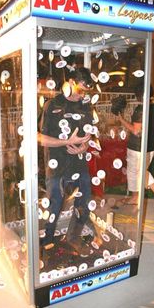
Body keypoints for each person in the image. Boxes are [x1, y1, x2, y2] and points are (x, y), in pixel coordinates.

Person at [39, 67, 94, 256]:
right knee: (54, 204)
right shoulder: (52, 105)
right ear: (70, 83)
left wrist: (84, 147)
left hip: (79, 163)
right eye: (80, 90)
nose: (83, 95)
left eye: (86, 92)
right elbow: (40, 138)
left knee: (84, 204)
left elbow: (87, 135)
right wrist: (67, 142)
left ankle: (72, 239)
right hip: (56, 164)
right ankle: (46, 241)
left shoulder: (86, 106)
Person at [118, 84, 154, 208]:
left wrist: (121, 120)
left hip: (136, 148)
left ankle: (135, 198)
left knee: (134, 172)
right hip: (150, 147)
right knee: (143, 171)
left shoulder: (140, 109)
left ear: (138, 95)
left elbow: (136, 131)